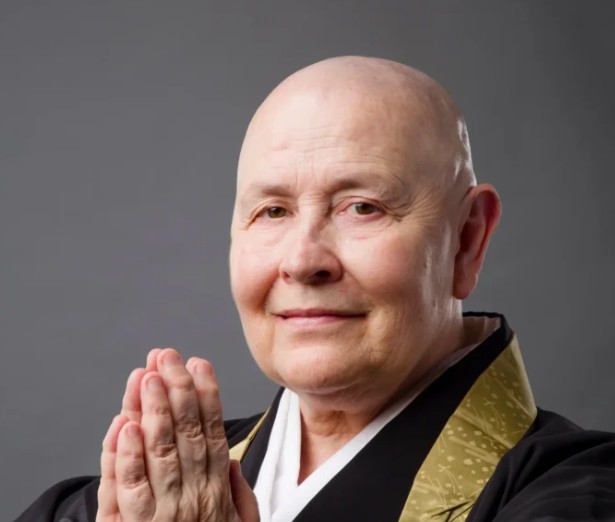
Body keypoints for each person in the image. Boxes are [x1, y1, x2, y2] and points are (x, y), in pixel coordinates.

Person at [17, 56, 615, 522]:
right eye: (273, 211)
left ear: (466, 239)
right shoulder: (140, 498)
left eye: (362, 207)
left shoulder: (578, 494)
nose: (303, 262)